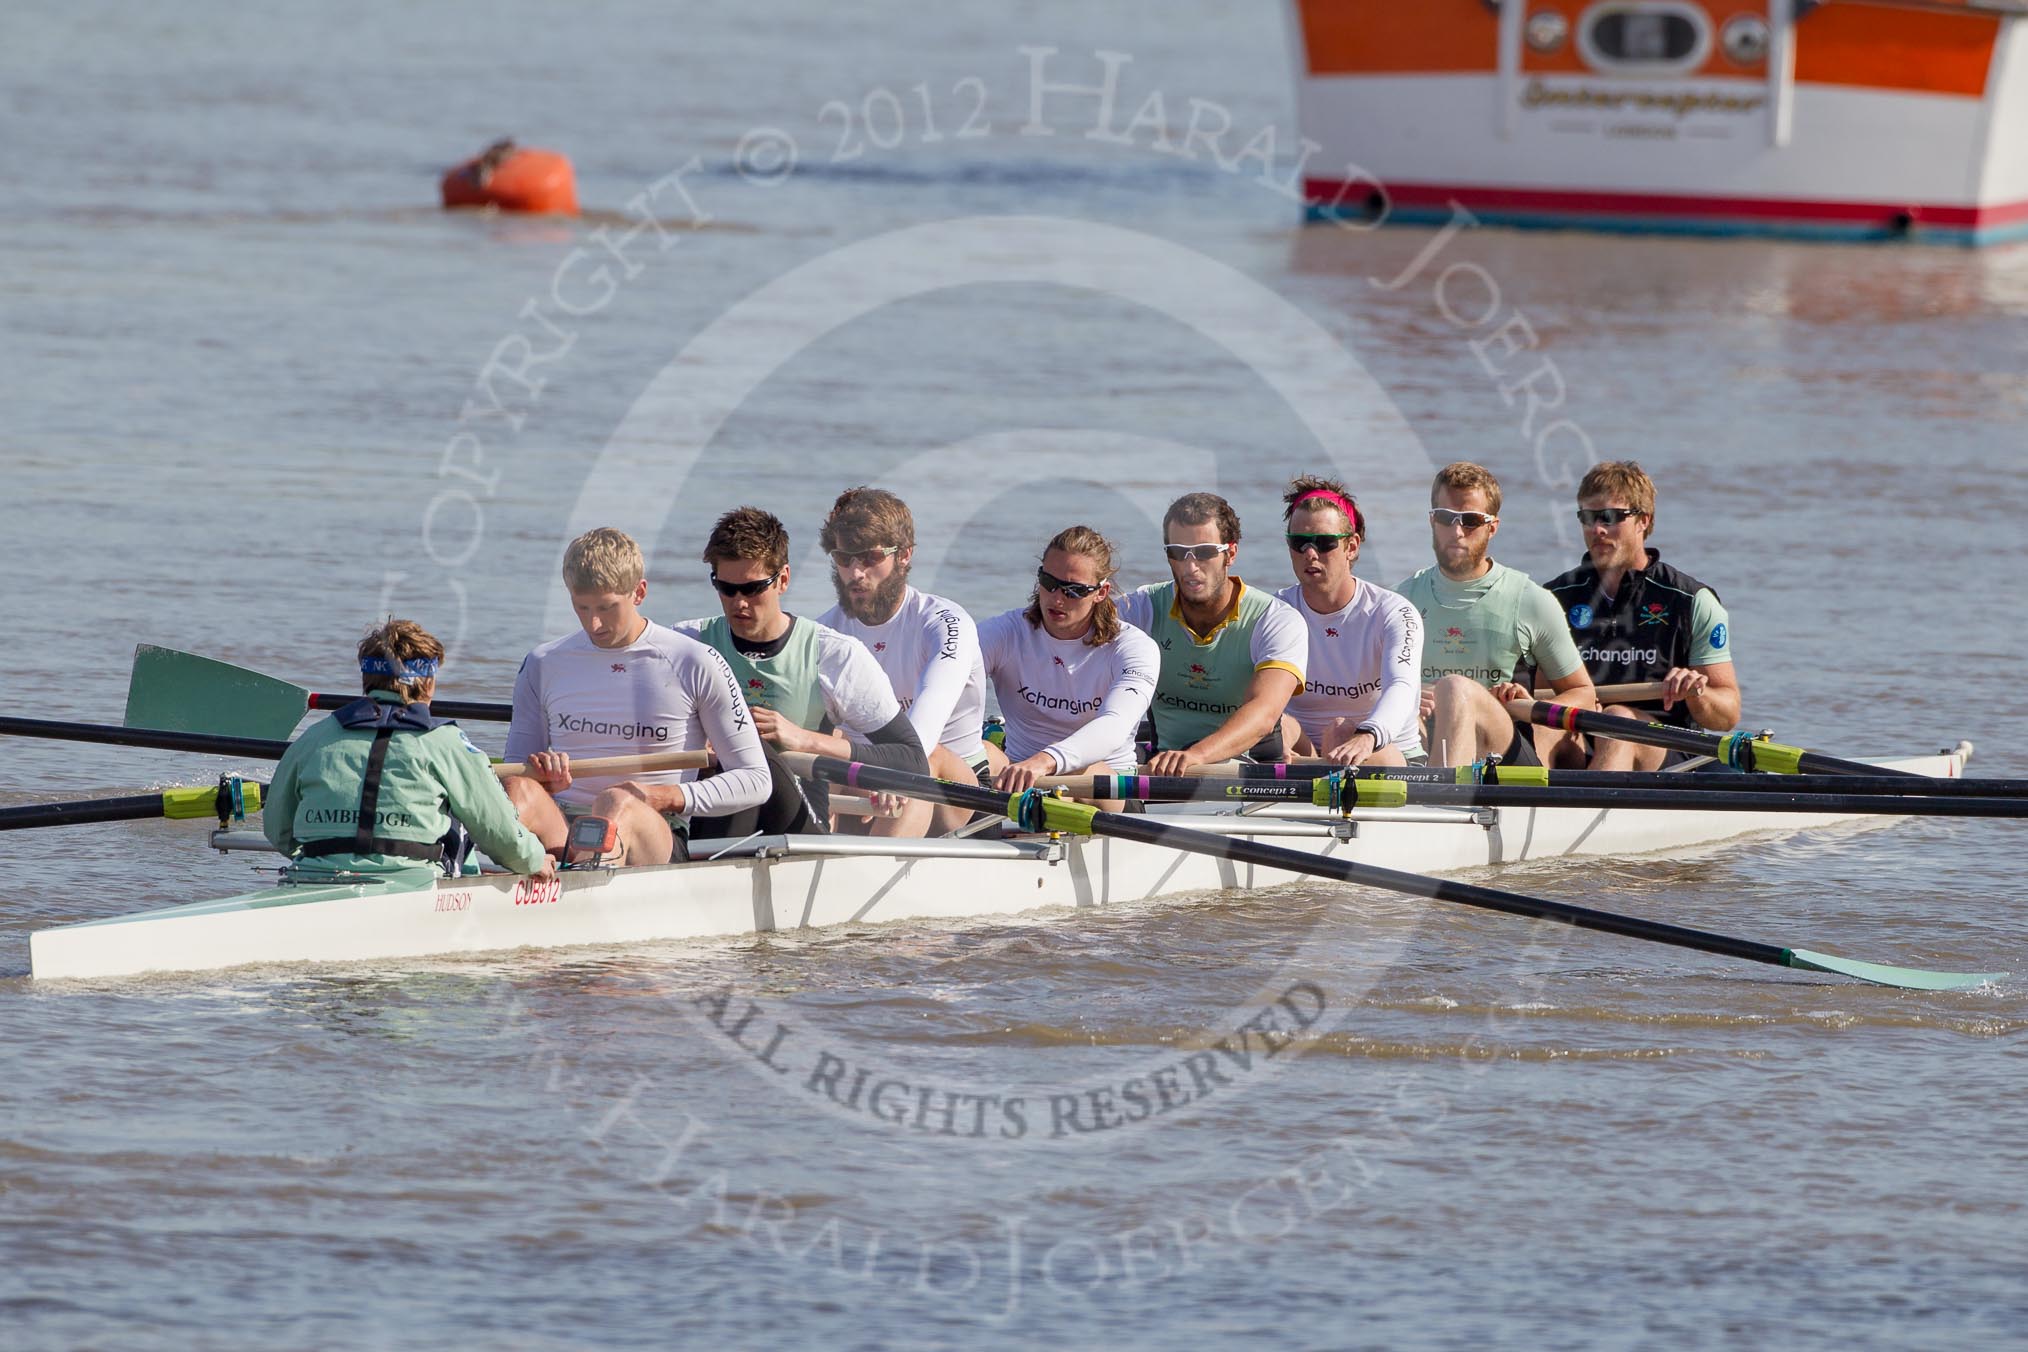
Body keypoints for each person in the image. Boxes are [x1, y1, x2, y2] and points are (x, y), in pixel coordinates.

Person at [503, 527, 770, 866]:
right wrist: (543, 780)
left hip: (652, 828)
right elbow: (515, 770)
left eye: (606, 607)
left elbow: (756, 780)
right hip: (563, 825)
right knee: (517, 791)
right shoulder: (543, 663)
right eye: (581, 607)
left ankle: (576, 878)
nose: (594, 624)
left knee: (616, 801)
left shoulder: (695, 662)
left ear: (639, 592)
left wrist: (662, 796)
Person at [673, 506, 934, 836]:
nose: (739, 603)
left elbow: (911, 761)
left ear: (782, 579)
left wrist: (803, 739)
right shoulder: (687, 643)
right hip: (707, 817)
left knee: (751, 747)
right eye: (726, 588)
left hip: (795, 828)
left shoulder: (834, 655)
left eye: (752, 589)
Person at [265, 619, 552, 886]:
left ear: (366, 678)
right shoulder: (445, 742)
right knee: (459, 821)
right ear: (428, 683)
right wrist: (534, 859)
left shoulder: (315, 736)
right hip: (412, 884)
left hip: (313, 877)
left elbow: (277, 830)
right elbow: (497, 831)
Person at [1395, 462, 1596, 767]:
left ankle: (1440, 800)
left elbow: (1583, 694)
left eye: (1471, 520)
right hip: (1423, 740)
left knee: (1456, 688)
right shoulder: (1401, 599)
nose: (1457, 531)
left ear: (1493, 527)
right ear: (1432, 521)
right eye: (1446, 518)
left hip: (1504, 754)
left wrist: (1532, 705)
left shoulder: (1530, 601)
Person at [1543, 461, 1739, 771]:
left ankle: (1581, 808)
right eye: (1588, 518)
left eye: (1610, 517)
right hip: (1579, 741)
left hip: (1667, 752)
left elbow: (1727, 715)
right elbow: (1534, 692)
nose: (1597, 530)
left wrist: (1697, 694)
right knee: (1542, 724)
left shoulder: (1692, 601)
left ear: (1643, 521)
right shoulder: (1552, 599)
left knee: (1618, 719)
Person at [816, 488, 989, 835]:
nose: (855, 572)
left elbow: (929, 711)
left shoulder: (944, 624)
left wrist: (895, 774)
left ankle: (870, 877)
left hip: (958, 791)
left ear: (905, 555)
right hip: (865, 781)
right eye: (844, 558)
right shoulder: (824, 632)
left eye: (870, 557)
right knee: (819, 758)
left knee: (923, 758)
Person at [1117, 492, 1307, 776]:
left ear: (1230, 553)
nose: (1190, 567)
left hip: (1250, 773)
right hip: (1164, 766)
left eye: (1204, 552)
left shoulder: (1276, 620)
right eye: (1178, 553)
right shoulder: (1142, 608)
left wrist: (1196, 755)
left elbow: (1264, 714)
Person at [978, 525, 1158, 807]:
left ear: (1101, 592)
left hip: (1105, 790)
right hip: (1018, 779)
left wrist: (1045, 762)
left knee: (1075, 769)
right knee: (974, 750)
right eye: (1049, 582)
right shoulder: (1006, 633)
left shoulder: (1133, 648)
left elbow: (1113, 726)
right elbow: (948, 681)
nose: (1057, 598)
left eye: (1074, 590)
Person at [1272, 475, 1424, 767]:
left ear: (1351, 547)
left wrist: (1368, 736)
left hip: (1387, 753)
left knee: (1342, 729)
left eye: (1325, 543)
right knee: (1278, 725)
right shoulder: (1276, 611)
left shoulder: (1393, 613)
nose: (1310, 554)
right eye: (1299, 543)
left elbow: (1401, 687)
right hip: (1306, 753)